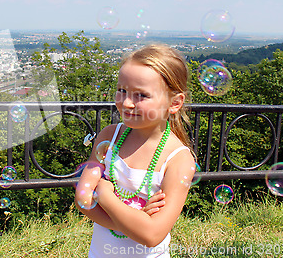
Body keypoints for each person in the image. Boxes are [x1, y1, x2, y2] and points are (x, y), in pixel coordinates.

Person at [75, 44, 196, 257]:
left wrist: (104, 195)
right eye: (122, 91)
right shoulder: (108, 137)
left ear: (175, 102)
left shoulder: (178, 160)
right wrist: (136, 221)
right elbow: (83, 199)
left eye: (141, 95)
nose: (127, 103)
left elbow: (151, 236)